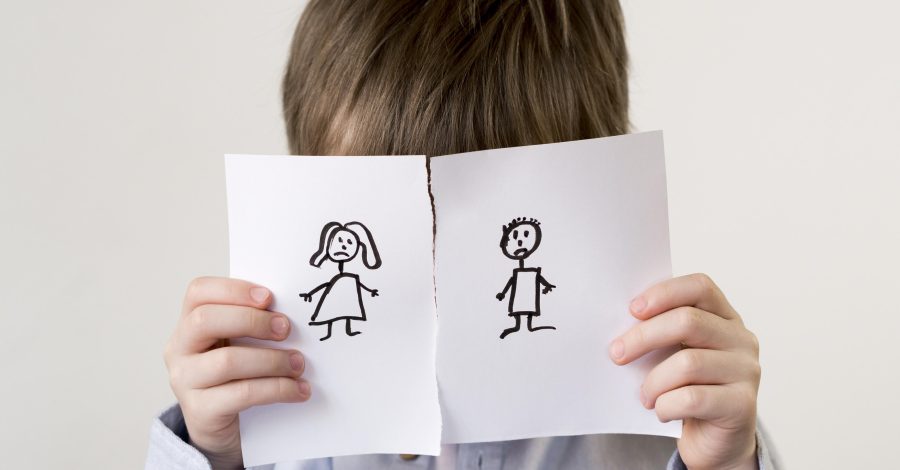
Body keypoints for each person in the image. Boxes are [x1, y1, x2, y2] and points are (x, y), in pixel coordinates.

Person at [148, 1, 778, 469]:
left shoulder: (657, 413)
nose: (435, 272)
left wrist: (726, 461)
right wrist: (216, 453)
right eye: (393, 219)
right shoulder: (274, 408)